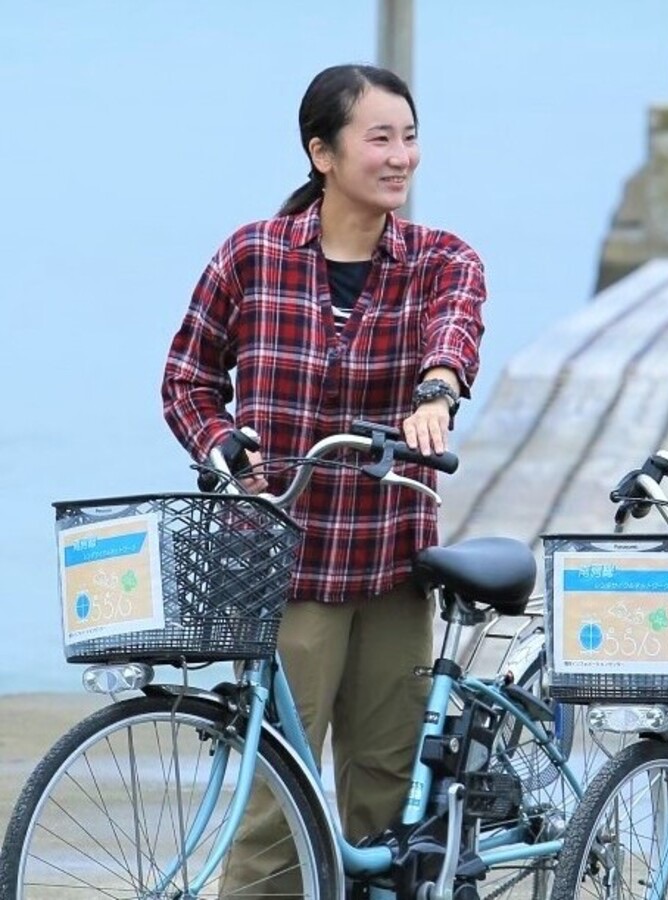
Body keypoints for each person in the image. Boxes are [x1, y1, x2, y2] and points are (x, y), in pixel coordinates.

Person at [162, 63, 486, 895]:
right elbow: (187, 380)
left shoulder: (442, 259)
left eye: (409, 137)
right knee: (276, 808)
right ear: (322, 153)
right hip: (286, 566)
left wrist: (437, 396)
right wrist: (224, 445)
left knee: (387, 804)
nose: (400, 157)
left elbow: (455, 335)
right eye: (380, 138)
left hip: (390, 564)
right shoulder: (253, 256)